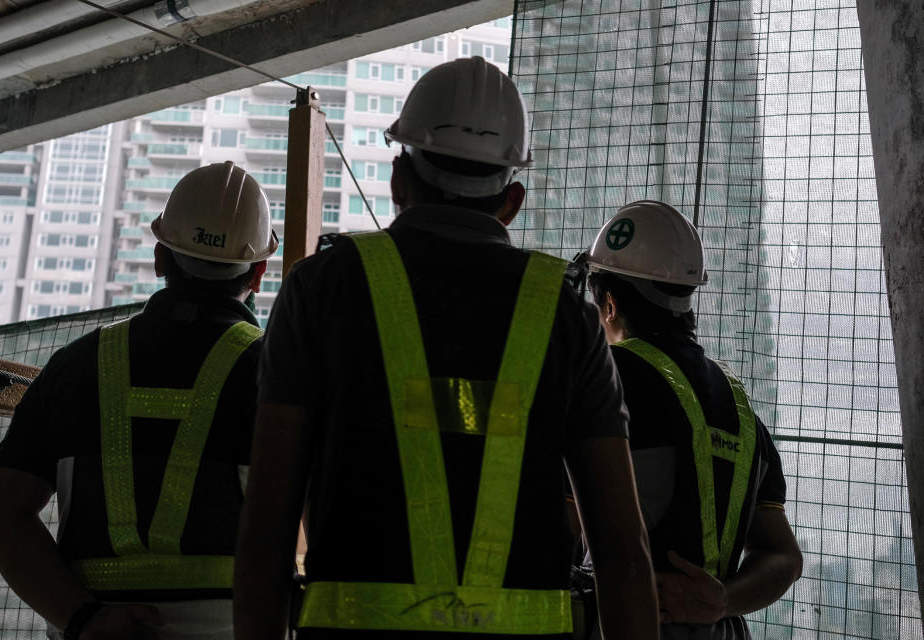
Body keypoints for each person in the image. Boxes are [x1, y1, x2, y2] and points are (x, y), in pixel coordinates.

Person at [234, 56, 659, 640]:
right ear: (511, 200)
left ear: (398, 180)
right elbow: (623, 552)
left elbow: (266, 526)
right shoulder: (567, 316)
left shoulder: (321, 289)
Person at [0, 161, 278, 640]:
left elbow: (0, 515)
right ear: (259, 272)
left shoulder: (76, 365)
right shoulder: (278, 371)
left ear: (160, 258)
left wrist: (84, 618)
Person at [581, 200, 803, 639]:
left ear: (608, 304)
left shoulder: (605, 378)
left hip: (622, 623)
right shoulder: (739, 406)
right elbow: (784, 557)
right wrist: (721, 599)